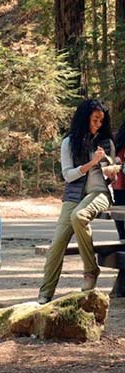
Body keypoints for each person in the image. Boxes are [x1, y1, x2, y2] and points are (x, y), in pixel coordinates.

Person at [38, 99, 118, 304]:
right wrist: (91, 163)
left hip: (99, 194)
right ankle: (44, 296)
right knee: (57, 244)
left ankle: (91, 270)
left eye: (101, 121)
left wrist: (112, 172)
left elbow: (112, 175)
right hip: (74, 195)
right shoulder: (69, 143)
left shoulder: (107, 143)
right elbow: (68, 175)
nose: (98, 124)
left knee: (79, 216)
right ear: (84, 119)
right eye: (94, 120)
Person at [110, 122, 125, 297]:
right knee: (122, 238)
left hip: (119, 191)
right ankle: (121, 285)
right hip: (120, 192)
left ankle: (121, 285)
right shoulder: (116, 141)